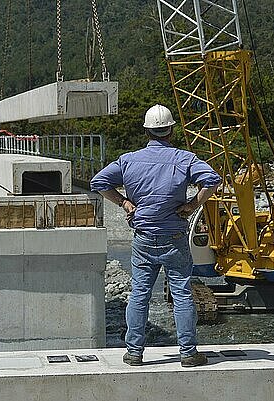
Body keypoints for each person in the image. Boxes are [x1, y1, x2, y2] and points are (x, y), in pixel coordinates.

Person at [90, 104, 221, 368]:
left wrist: (125, 203)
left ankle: (135, 353)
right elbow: (212, 180)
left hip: (143, 238)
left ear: (147, 131)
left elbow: (99, 183)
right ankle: (188, 353)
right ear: (170, 130)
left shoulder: (129, 160)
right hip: (174, 237)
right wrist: (192, 205)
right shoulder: (185, 159)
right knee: (182, 293)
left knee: (139, 294)